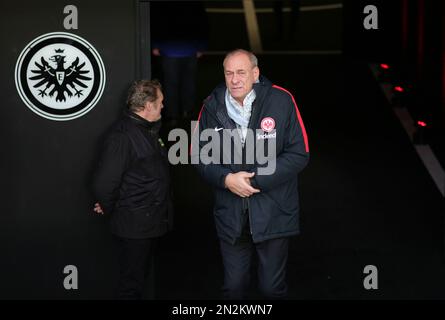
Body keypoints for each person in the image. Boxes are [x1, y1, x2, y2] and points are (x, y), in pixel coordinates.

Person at [192, 49, 309, 299]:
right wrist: (226, 180)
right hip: (231, 215)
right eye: (229, 73)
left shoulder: (281, 100)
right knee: (233, 288)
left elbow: (300, 153)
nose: (234, 79)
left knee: (271, 289)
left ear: (255, 74)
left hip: (274, 211)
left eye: (241, 72)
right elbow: (198, 155)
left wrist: (255, 180)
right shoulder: (211, 106)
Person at [92, 79, 173, 299]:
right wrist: (113, 208)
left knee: (138, 283)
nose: (163, 106)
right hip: (134, 227)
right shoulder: (123, 136)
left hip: (146, 224)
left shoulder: (146, 130)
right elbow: (104, 184)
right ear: (148, 106)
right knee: (131, 287)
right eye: (161, 102)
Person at [151, 1, 208, 126]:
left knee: (170, 85)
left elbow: (157, 21)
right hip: (189, 48)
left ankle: (172, 115)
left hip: (169, 48)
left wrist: (155, 45)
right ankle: (187, 111)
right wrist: (201, 46)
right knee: (189, 83)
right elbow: (202, 23)